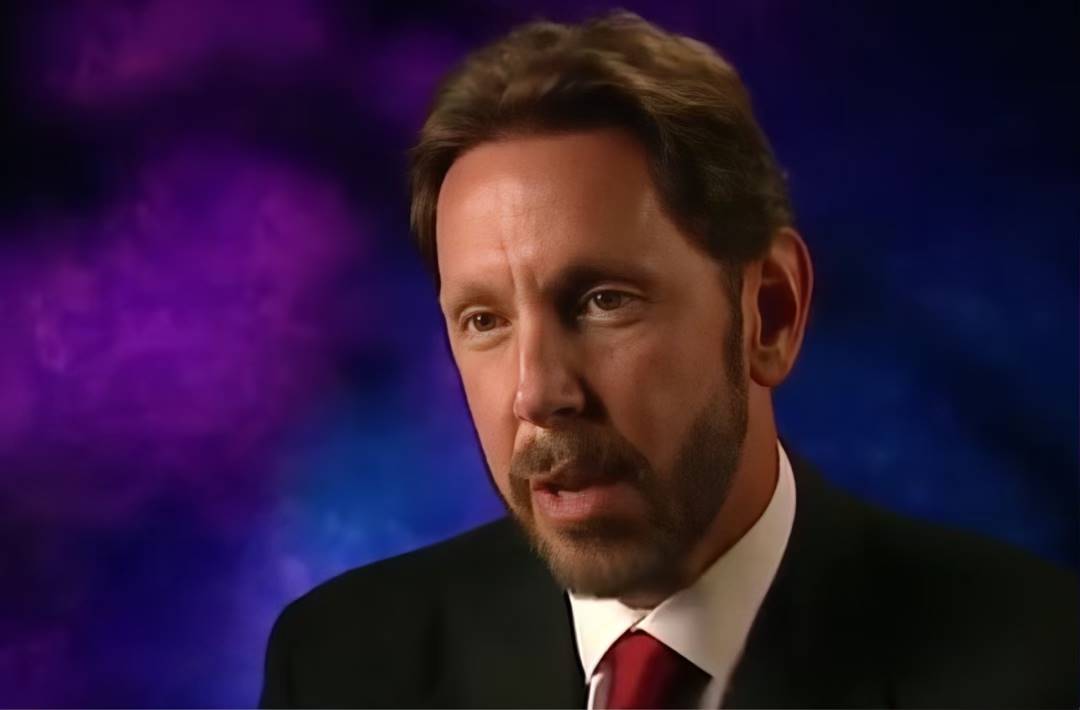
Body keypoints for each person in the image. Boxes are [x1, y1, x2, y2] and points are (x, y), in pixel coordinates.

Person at [259, 11, 1077, 709]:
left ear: (769, 313)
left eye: (603, 300)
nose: (538, 393)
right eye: (484, 320)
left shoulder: (1042, 665)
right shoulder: (341, 667)